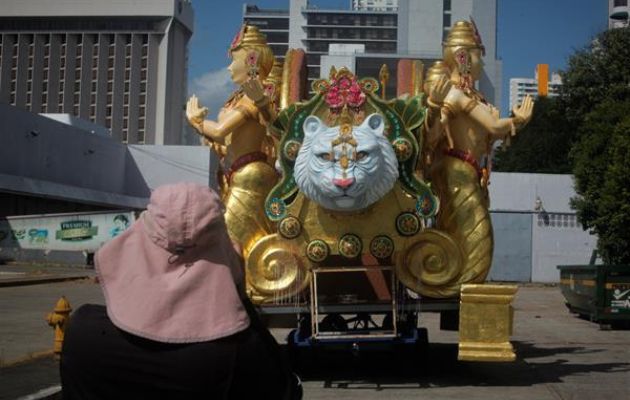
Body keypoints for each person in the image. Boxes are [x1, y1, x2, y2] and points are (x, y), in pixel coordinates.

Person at [60, 182, 301, 399]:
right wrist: (239, 295)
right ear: (226, 252)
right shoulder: (243, 351)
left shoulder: (83, 331)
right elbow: (287, 390)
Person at [186, 25, 278, 253]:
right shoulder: (239, 97)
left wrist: (196, 122)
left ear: (251, 61)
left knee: (229, 241)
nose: (228, 68)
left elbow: (219, 131)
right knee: (231, 241)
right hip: (236, 175)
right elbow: (224, 140)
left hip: (251, 176)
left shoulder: (254, 97)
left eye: (233, 61)